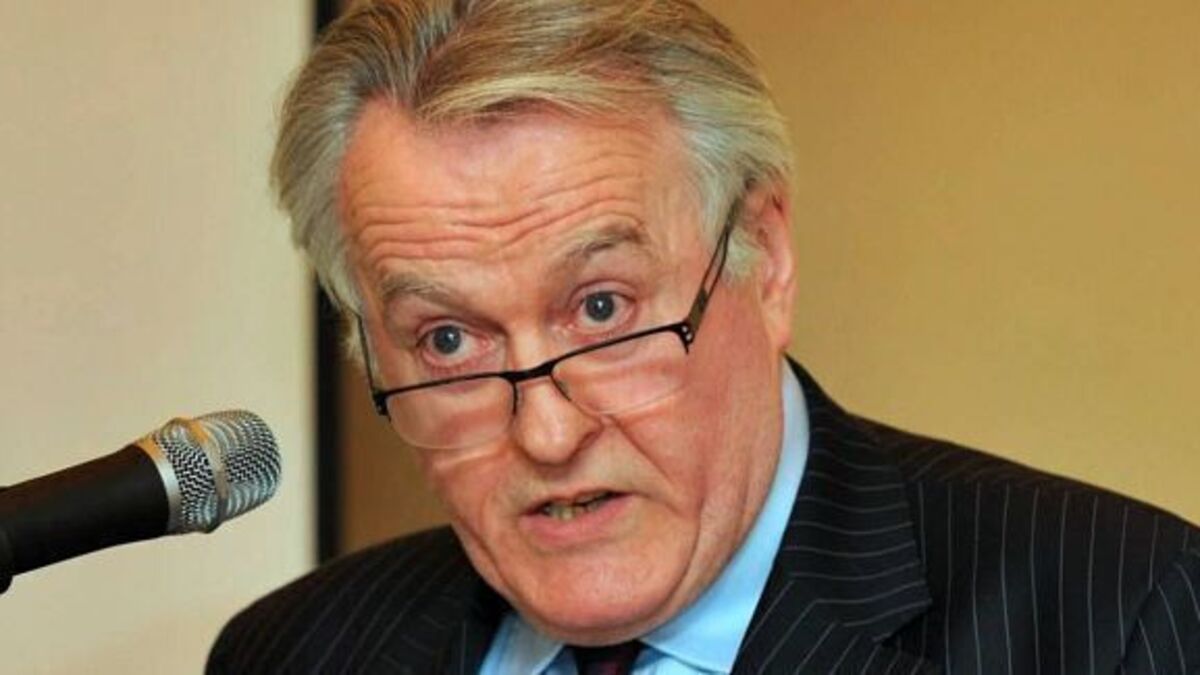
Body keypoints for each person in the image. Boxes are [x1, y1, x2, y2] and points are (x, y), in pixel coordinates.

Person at [208, 1, 1200, 672]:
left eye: (603, 309)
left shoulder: (1115, 617)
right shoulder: (295, 652)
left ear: (765, 260)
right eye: (449, 343)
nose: (546, 433)